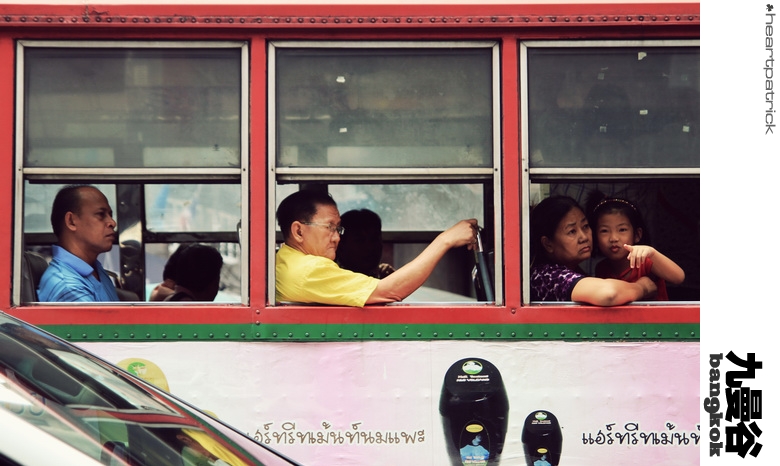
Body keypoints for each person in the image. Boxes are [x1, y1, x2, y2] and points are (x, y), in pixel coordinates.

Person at [275, 189, 478, 306]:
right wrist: (445, 240)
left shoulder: (286, 260)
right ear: (298, 231)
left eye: (339, 229)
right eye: (330, 228)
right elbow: (390, 291)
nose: (337, 238)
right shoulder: (309, 270)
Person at [529, 195, 656, 306]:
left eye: (585, 226)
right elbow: (608, 294)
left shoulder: (572, 270)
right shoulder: (548, 276)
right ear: (548, 244)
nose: (584, 237)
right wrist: (642, 287)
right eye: (572, 231)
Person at [585, 191, 685, 301]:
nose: (613, 238)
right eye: (604, 231)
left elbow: (678, 278)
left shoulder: (644, 261)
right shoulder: (602, 268)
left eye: (622, 230)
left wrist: (652, 253)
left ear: (637, 235)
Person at [37, 184, 120, 302]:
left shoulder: (95, 270)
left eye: (110, 215)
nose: (112, 222)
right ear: (71, 221)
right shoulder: (69, 287)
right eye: (101, 214)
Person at [336, 208, 396, 279]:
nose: (370, 247)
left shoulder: (384, 276)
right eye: (360, 240)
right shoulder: (334, 279)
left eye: (374, 239)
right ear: (341, 245)